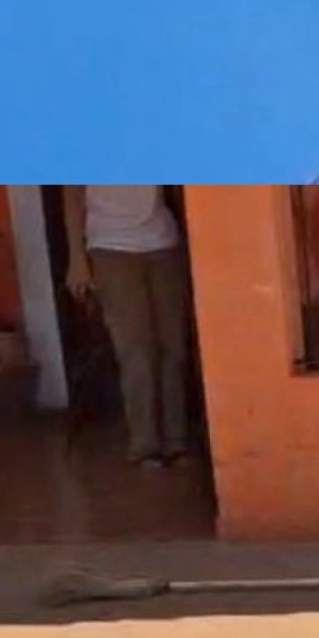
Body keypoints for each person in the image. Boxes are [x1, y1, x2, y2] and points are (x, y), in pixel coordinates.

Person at [63, 186, 193, 469]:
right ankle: (144, 445)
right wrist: (77, 259)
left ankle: (176, 440)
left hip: (163, 243)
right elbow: (71, 195)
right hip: (110, 247)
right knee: (135, 349)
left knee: (173, 346)